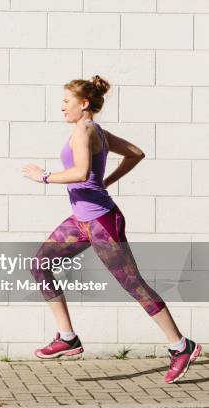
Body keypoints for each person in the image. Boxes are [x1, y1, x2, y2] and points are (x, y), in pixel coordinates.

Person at [21, 75, 202, 384]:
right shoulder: (96, 131)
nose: (62, 107)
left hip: (102, 222)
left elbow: (80, 172)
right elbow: (136, 153)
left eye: (67, 102)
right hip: (81, 221)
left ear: (84, 104)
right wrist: (104, 183)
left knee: (134, 284)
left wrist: (45, 177)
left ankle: (181, 346)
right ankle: (67, 338)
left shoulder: (84, 131)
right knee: (39, 265)